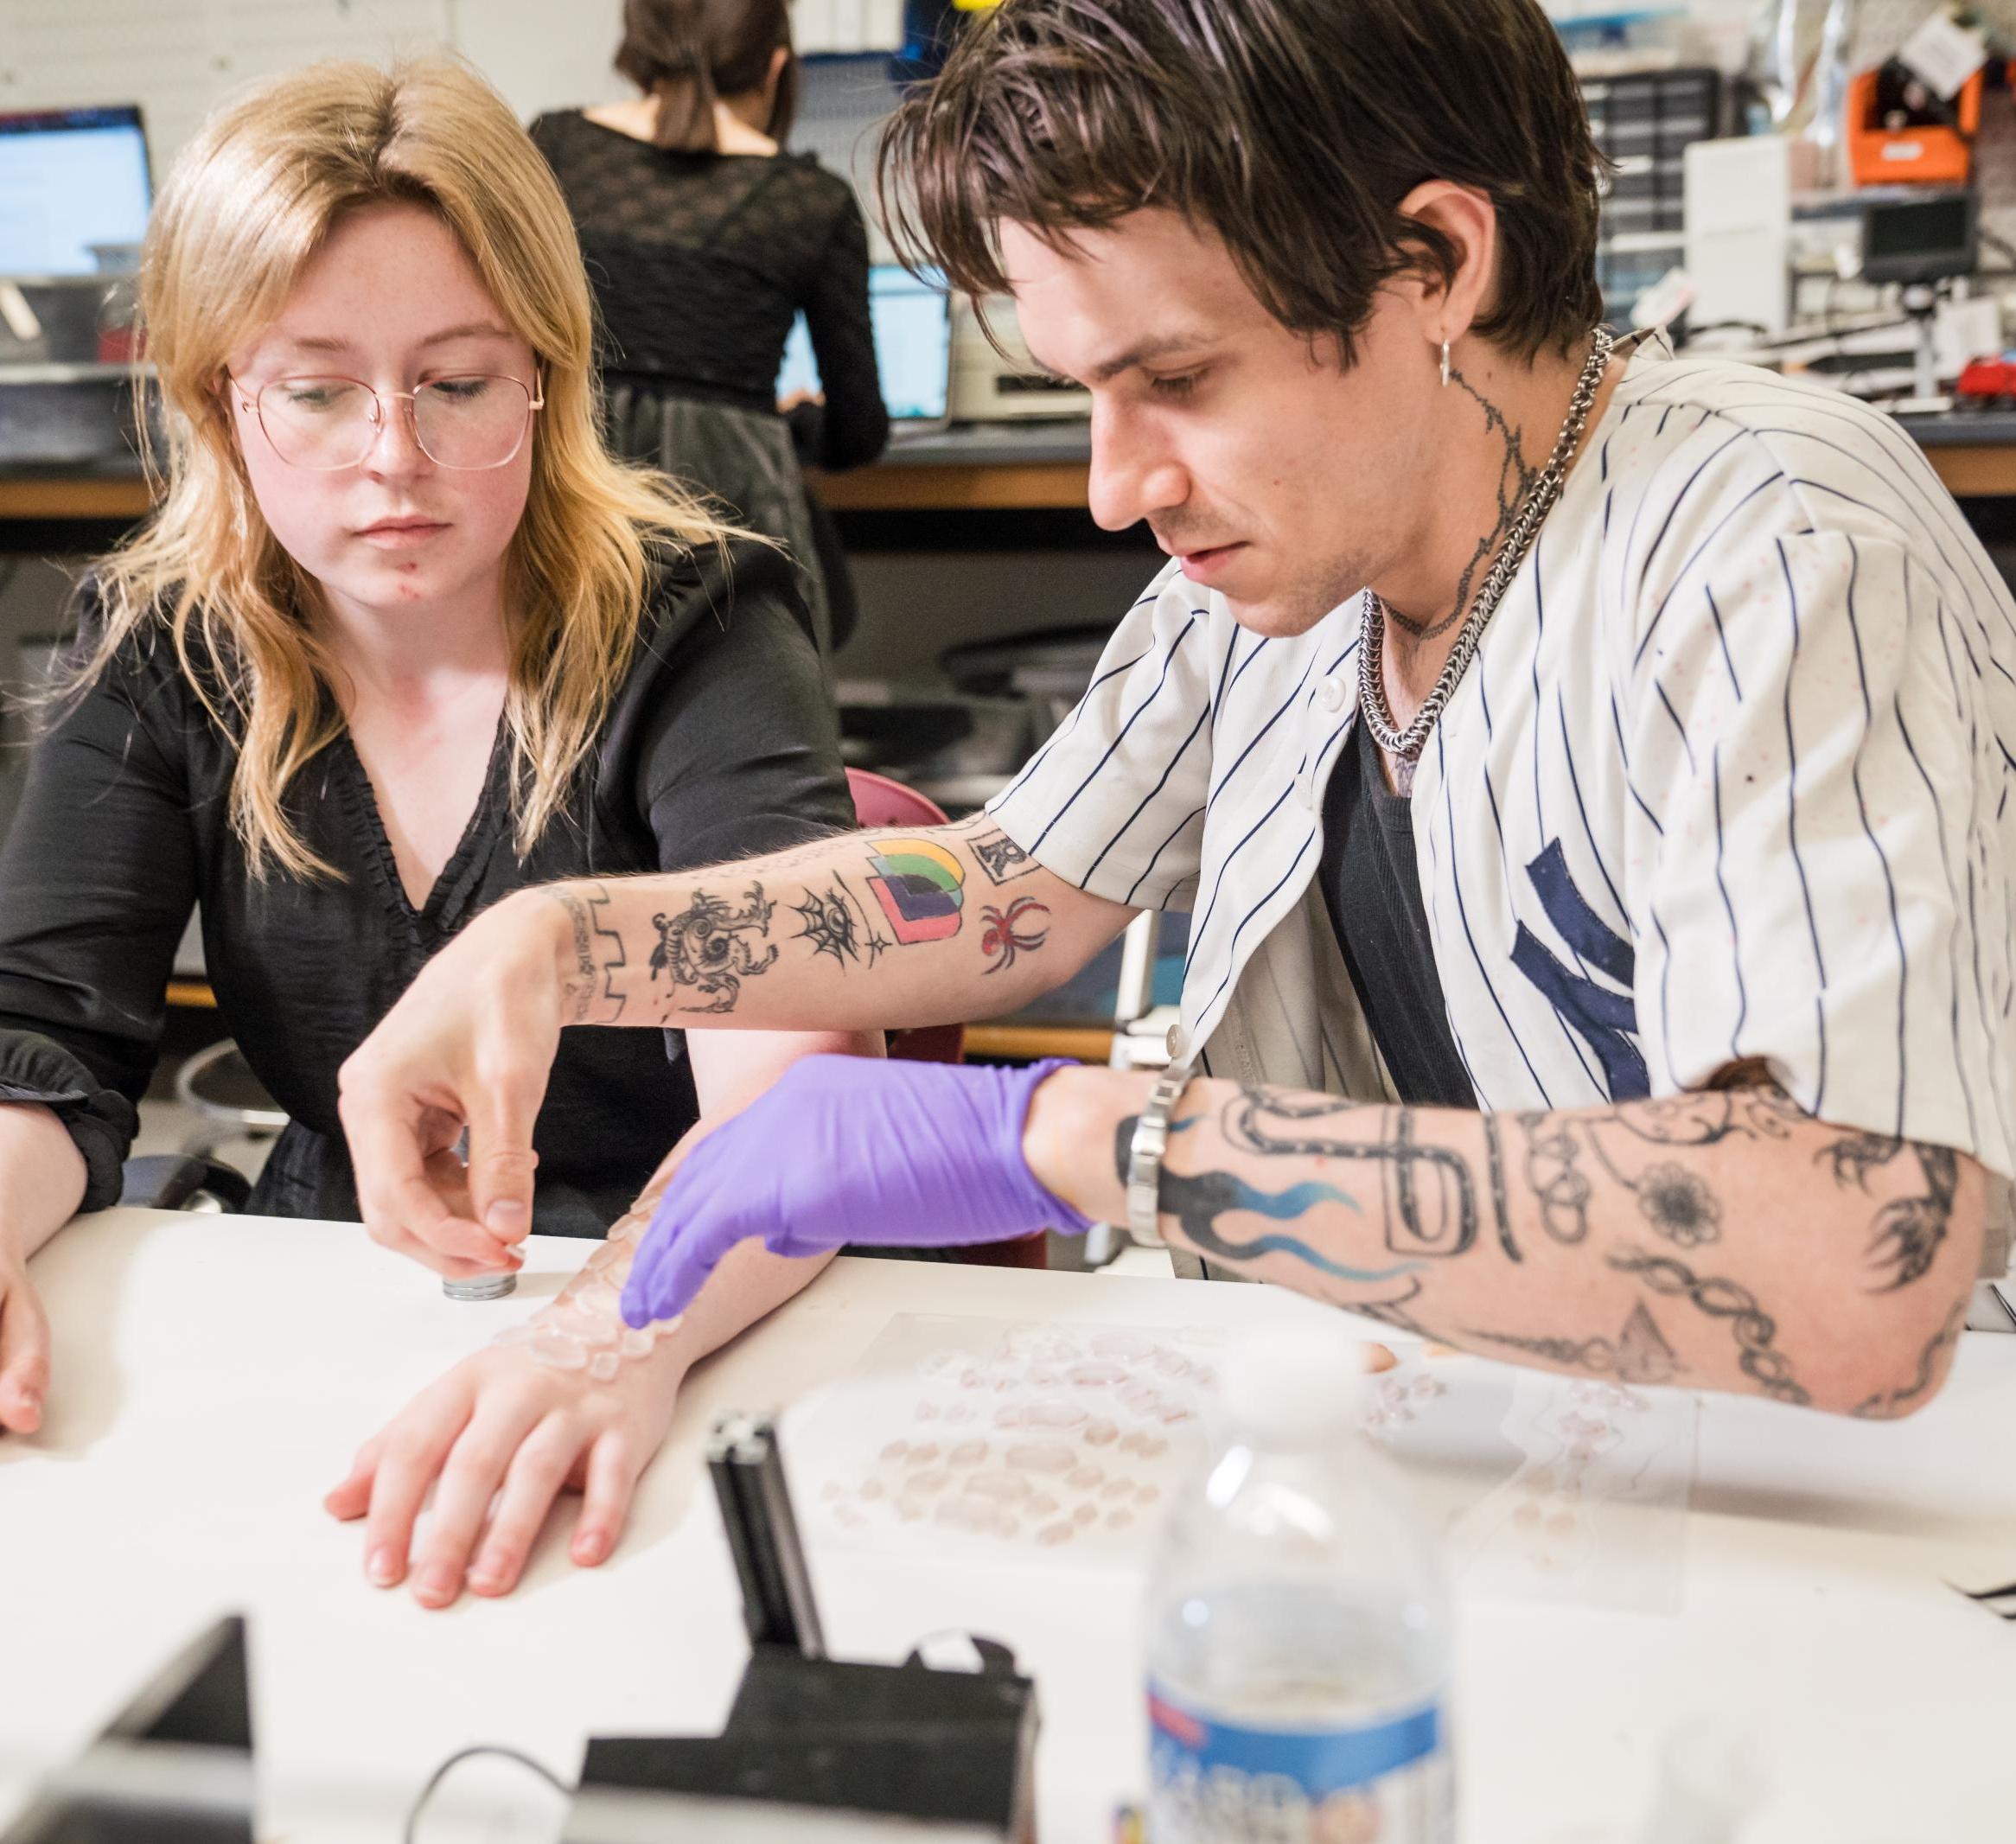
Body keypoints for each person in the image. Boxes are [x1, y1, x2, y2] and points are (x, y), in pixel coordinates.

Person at [337, 0, 2009, 1420]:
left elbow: (1860, 1277)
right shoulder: (1301, 568)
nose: (1113, 487)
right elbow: (1003, 895)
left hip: (1879, 1519)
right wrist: (563, 945)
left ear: (1433, 265)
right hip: (1506, 1422)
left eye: (1180, 379)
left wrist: (1060, 1132)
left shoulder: (1769, 544)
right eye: (1086, 394)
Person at [0, 58, 880, 1605]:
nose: (391, 455)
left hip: (680, 1294)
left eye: (459, 383)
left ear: (548, 373)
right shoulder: (161, 641)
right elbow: (44, 1035)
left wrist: (610, 1332)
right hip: (335, 1301)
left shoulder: (705, 617)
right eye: (319, 388)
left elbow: (795, 1079)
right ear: (221, 397)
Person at [531, 0, 890, 658]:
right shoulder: (812, 200)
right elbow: (859, 432)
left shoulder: (553, 149)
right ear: (776, 66)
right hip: (731, 527)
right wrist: (794, 424)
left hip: (571, 506)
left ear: (639, 49)